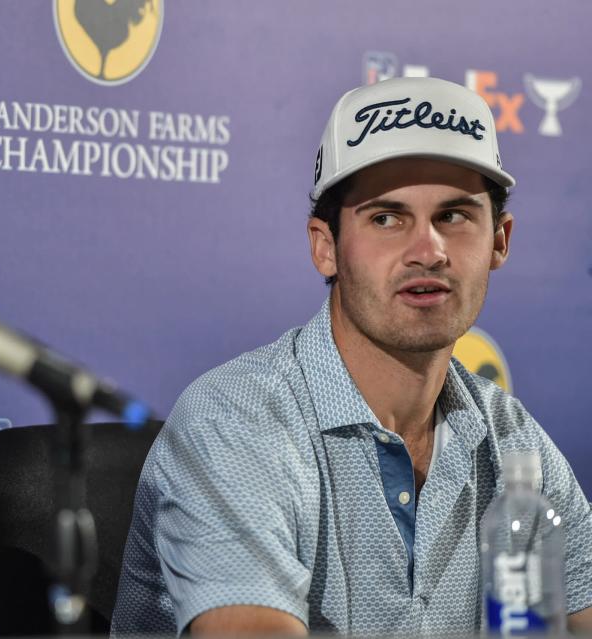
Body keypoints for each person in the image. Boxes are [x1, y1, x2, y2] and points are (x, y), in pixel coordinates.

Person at [111, 77, 592, 636]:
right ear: (326, 247)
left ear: (500, 241)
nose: (428, 250)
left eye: (454, 216)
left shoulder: (511, 439)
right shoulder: (237, 421)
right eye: (386, 218)